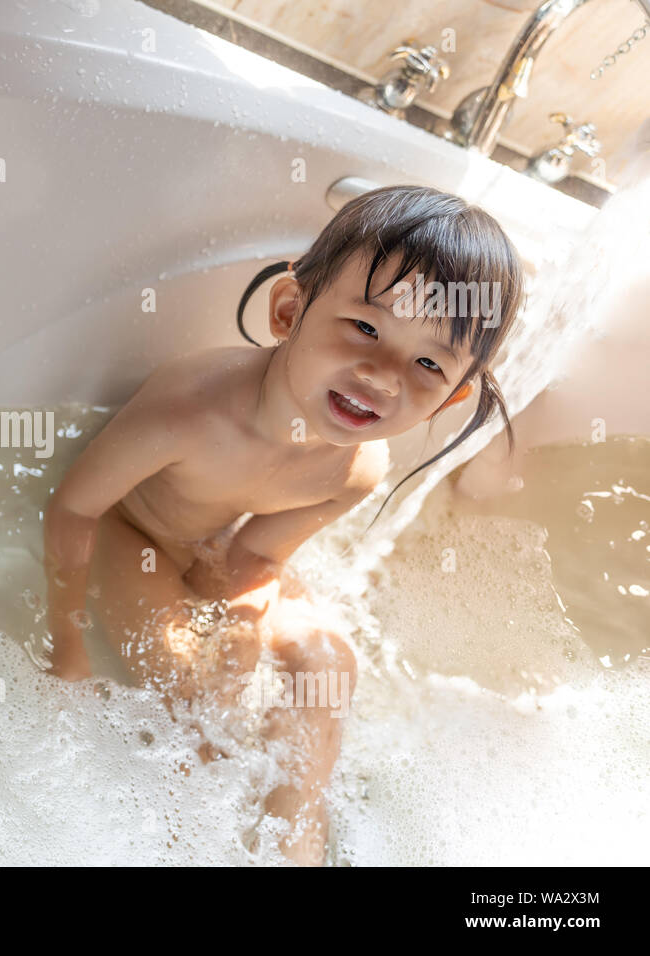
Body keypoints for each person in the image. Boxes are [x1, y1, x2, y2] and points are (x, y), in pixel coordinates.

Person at [41, 185, 526, 864]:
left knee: (330, 662)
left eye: (426, 364)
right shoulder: (191, 411)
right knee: (200, 685)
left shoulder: (355, 469)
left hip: (212, 546)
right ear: (289, 308)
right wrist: (64, 636)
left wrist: (237, 617)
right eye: (365, 328)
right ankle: (186, 836)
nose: (382, 377)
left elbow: (255, 556)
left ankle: (295, 835)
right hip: (131, 537)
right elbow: (75, 508)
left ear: (454, 395)